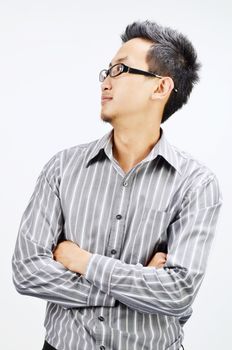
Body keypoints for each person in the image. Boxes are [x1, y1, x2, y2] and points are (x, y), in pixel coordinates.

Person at [12, 20, 222, 350]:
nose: (105, 81)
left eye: (120, 69)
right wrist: (137, 287)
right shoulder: (63, 168)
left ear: (160, 87)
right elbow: (27, 271)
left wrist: (83, 262)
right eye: (106, 71)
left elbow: (178, 293)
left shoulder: (196, 184)